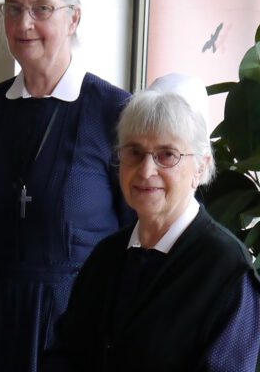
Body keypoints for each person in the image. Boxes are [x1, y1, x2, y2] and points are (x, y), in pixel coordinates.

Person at [0, 0, 134, 371]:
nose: (24, 24)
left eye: (42, 9)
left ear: (73, 19)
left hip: (75, 322)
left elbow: (136, 234)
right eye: (14, 9)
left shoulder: (114, 111)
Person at [51, 73, 260, 371]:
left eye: (167, 155)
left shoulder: (228, 273)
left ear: (201, 167)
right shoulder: (105, 256)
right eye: (134, 152)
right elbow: (63, 355)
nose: (146, 170)